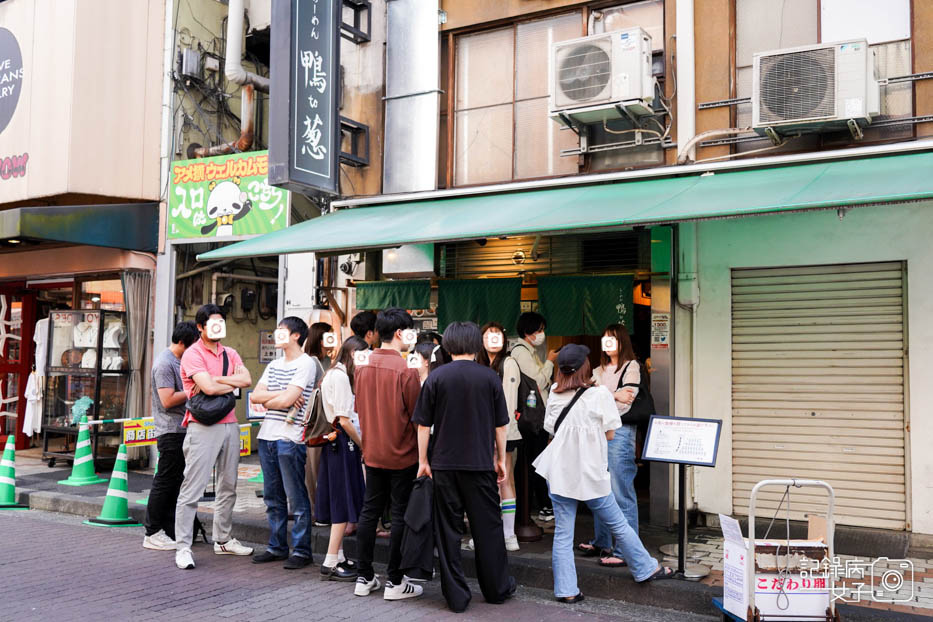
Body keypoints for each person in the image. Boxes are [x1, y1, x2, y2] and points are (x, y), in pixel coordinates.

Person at [533, 345, 672, 602]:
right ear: (585, 367)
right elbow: (610, 433)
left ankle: (566, 591)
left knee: (563, 533)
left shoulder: (554, 391)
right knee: (617, 522)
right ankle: (645, 567)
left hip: (560, 470)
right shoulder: (599, 395)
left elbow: (551, 429)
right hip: (590, 471)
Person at [413, 322, 517, 613]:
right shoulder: (489, 378)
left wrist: (423, 461)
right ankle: (497, 589)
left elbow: (423, 425)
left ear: (447, 345)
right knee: (489, 528)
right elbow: (501, 425)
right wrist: (499, 458)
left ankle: (456, 597)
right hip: (480, 464)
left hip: (444, 464)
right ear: (476, 345)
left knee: (448, 531)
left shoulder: (436, 377)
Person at [174, 304, 253, 570]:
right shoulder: (192, 354)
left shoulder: (230, 352)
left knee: (228, 486)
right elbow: (205, 387)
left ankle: (223, 539)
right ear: (200, 327)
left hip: (231, 424)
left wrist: (217, 380)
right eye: (213, 322)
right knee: (192, 488)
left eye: (221, 321)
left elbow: (247, 380)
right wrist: (228, 380)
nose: (218, 326)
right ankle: (183, 546)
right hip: (202, 425)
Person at [352, 307, 423, 600]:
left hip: (372, 451)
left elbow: (359, 410)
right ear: (398, 333)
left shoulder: (362, 367)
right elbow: (419, 417)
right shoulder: (407, 371)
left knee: (369, 512)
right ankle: (395, 581)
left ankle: (364, 576)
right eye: (408, 332)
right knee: (400, 516)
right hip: (402, 453)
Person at [249, 317, 320, 569]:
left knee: (296, 497)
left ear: (296, 336)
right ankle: (277, 546)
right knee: (272, 497)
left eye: (281, 331)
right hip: (267, 435)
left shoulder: (307, 363)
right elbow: (255, 397)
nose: (276, 335)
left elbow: (284, 398)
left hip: (290, 437)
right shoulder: (274, 364)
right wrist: (283, 396)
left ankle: (301, 550)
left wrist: (282, 398)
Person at [580, 323, 639, 567]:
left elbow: (627, 403)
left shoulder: (631, 367)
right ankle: (603, 542)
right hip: (599, 432)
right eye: (604, 339)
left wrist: (601, 392)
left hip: (621, 432)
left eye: (612, 338)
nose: (607, 343)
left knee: (620, 490)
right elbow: (586, 397)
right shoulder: (597, 368)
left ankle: (626, 551)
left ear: (621, 341)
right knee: (599, 486)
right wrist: (612, 393)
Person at [143, 321, 199, 551]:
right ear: (183, 343)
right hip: (171, 430)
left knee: (176, 482)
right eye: (194, 345)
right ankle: (152, 531)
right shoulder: (165, 363)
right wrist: (193, 390)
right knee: (165, 482)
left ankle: (169, 528)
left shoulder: (179, 361)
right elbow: (166, 400)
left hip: (182, 429)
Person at [317, 336, 368, 581]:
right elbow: (344, 419)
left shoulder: (333, 373)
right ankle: (330, 561)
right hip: (342, 442)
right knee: (342, 501)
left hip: (333, 443)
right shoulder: (340, 378)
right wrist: (363, 445)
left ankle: (338, 556)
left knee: (340, 498)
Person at [511, 311, 559, 523]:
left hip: (536, 417)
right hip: (531, 420)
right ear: (527, 332)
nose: (542, 334)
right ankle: (541, 506)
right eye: (538, 330)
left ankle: (540, 505)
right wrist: (549, 362)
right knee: (536, 462)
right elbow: (537, 383)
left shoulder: (529, 352)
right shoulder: (521, 352)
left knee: (536, 461)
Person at [478, 322, 521, 552]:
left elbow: (509, 403)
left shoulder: (509, 363)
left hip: (505, 430)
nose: (493, 340)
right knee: (487, 484)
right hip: (481, 432)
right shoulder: (480, 363)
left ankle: (509, 534)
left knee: (505, 480)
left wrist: (499, 434)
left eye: (497, 335)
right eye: (488, 336)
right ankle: (490, 532)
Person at [304, 320, 331, 524]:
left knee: (321, 470)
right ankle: (316, 511)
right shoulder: (311, 363)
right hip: (314, 425)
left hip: (327, 424)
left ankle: (321, 510)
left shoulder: (329, 361)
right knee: (313, 470)